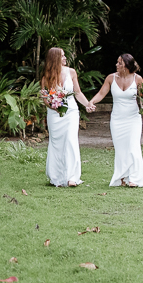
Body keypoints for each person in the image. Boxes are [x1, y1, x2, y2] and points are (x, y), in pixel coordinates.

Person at [90, 53, 143, 187]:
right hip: (117, 119)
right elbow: (101, 93)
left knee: (133, 147)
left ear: (126, 66)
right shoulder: (111, 78)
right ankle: (122, 177)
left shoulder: (137, 79)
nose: (116, 65)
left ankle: (135, 178)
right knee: (121, 149)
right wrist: (91, 102)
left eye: (119, 63)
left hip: (133, 118)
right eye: (117, 62)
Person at [41, 47, 96, 187]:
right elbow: (45, 100)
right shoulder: (46, 77)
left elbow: (77, 93)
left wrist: (87, 104)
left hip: (71, 111)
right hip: (54, 114)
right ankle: (57, 177)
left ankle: (72, 177)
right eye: (63, 56)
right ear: (55, 59)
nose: (66, 58)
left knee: (71, 141)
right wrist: (53, 105)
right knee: (56, 143)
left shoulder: (71, 72)